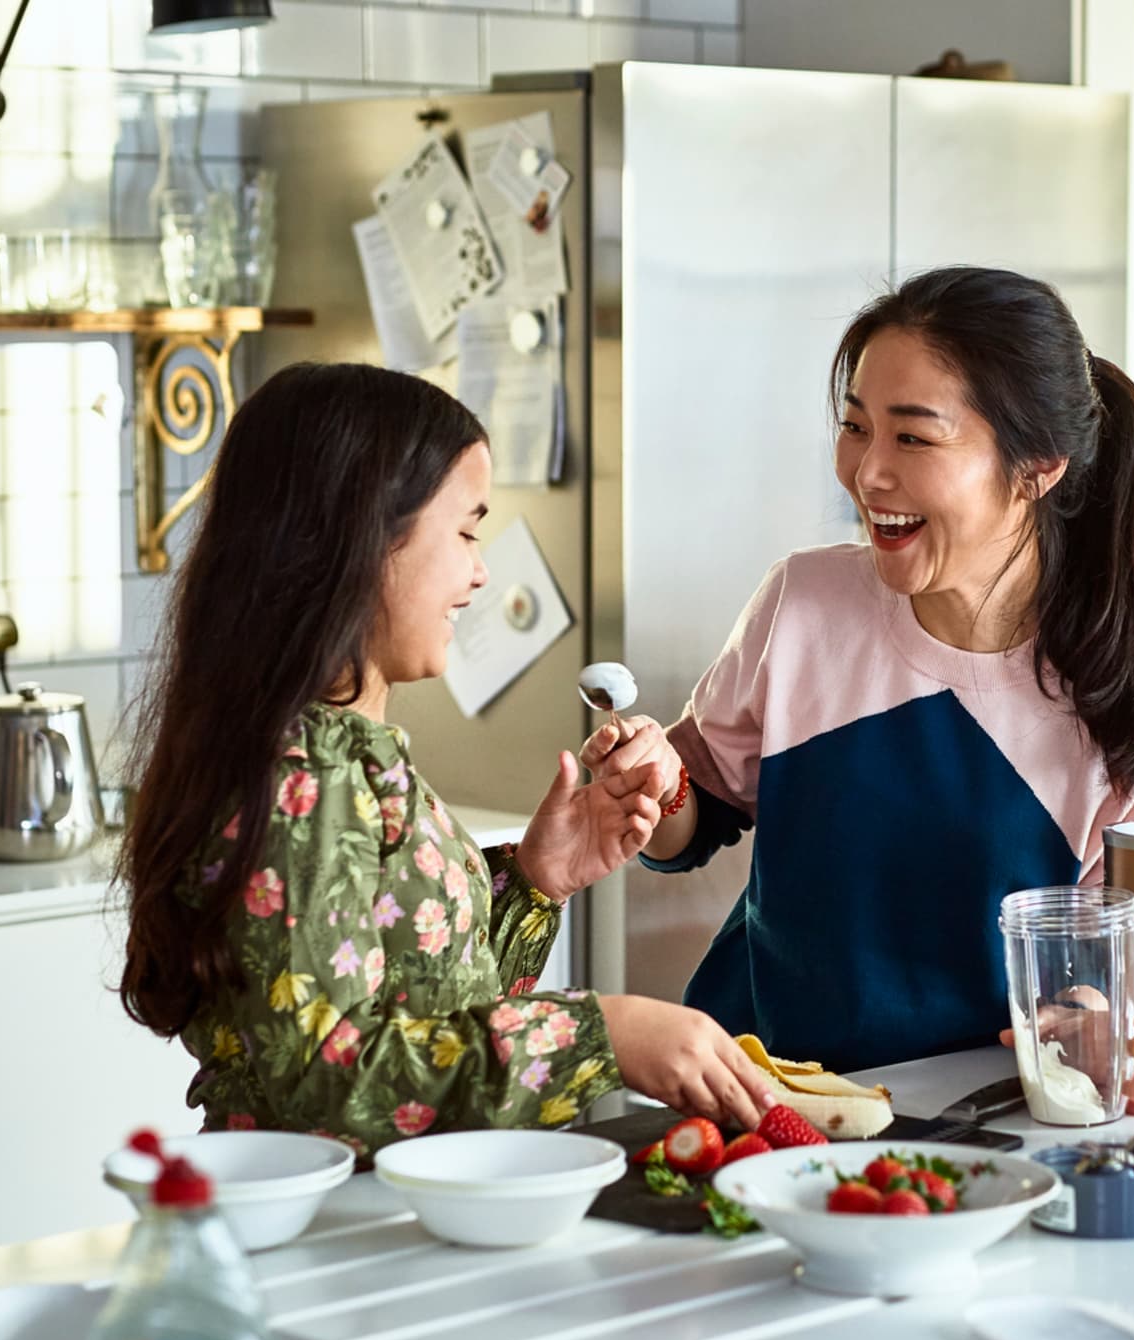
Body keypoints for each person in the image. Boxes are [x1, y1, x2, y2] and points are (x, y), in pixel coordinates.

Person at [582, 266, 1134, 1082]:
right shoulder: (804, 603)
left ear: (1037, 467)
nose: (867, 472)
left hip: (983, 1111)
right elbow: (694, 817)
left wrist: (1099, 1024)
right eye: (857, 427)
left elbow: (1117, 967)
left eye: (913, 437)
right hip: (766, 1094)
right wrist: (650, 788)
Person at [119, 362, 772, 1160]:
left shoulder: (349, 755)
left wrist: (535, 880)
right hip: (331, 1236)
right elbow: (331, 1086)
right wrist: (599, 1034)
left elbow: (424, 1015)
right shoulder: (303, 777)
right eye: (464, 530)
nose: (480, 569)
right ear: (359, 537)